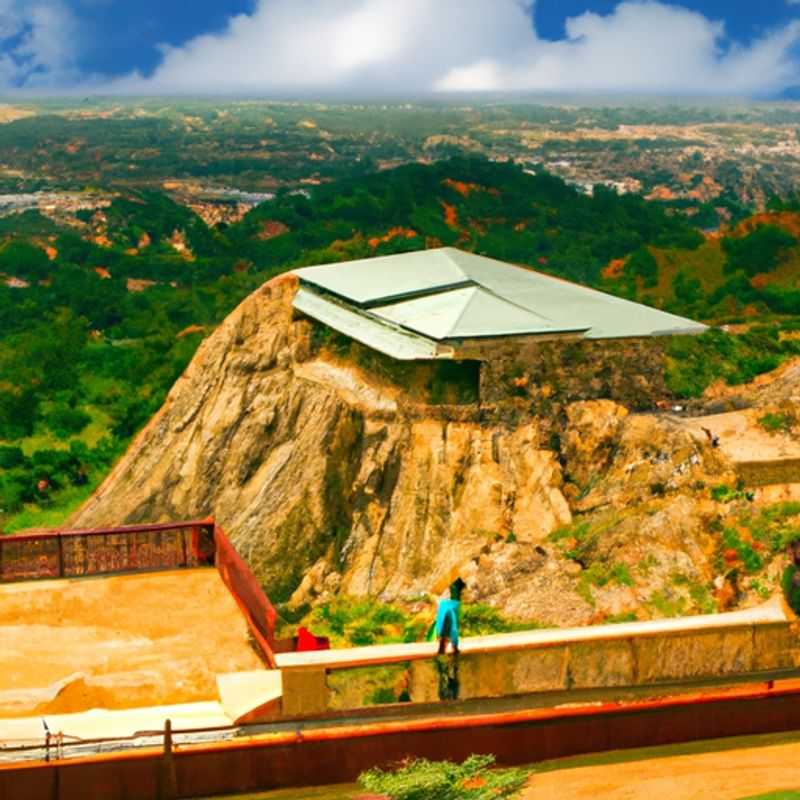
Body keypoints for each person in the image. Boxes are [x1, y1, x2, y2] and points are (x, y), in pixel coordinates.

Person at [435, 578, 466, 655]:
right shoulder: (452, 607)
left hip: (445, 606)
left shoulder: (447, 605)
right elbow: (453, 629)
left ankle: (447, 648)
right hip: (448, 606)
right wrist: (455, 646)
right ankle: (451, 648)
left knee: (445, 632)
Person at [782, 539, 800, 617]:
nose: (790, 557)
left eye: (793, 554)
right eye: (789, 554)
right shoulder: (789, 571)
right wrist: (793, 584)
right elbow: (786, 598)